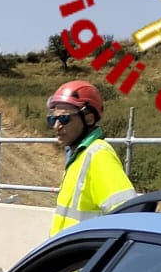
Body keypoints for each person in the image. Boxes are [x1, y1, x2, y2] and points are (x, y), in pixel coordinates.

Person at [48, 80, 137, 236]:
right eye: (52, 119)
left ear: (88, 119)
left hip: (84, 251)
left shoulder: (98, 155)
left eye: (64, 119)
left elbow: (128, 215)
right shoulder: (79, 155)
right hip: (67, 249)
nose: (56, 126)